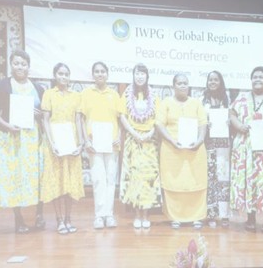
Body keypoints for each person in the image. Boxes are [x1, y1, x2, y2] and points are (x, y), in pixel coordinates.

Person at [0, 49, 46, 233]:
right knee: (14, 176)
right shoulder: (2, 86)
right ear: (11, 65)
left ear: (29, 66)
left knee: (37, 175)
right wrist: (6, 125)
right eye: (16, 63)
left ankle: (39, 215)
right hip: (10, 137)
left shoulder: (38, 88)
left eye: (23, 64)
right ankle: (18, 219)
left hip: (33, 139)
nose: (20, 67)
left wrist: (40, 115)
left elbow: (46, 113)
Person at [229, 66, 263, 232]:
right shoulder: (242, 98)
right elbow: (231, 114)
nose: (257, 79)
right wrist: (239, 126)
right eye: (255, 77)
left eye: (261, 77)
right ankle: (250, 218)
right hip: (246, 147)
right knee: (249, 181)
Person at [156, 73, 208, 228]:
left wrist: (200, 140)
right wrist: (171, 141)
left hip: (195, 150)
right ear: (173, 86)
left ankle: (197, 216)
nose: (183, 86)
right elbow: (159, 124)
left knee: (196, 181)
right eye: (179, 83)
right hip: (171, 150)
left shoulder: (196, 103)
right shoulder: (166, 103)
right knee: (173, 182)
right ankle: (174, 217)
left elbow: (203, 123)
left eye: (185, 83)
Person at [40, 63, 84, 234]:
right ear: (55, 75)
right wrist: (51, 143)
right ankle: (59, 219)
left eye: (66, 74)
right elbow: (45, 120)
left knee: (70, 183)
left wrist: (80, 143)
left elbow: (78, 120)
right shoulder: (48, 94)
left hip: (71, 143)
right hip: (55, 144)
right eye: (60, 73)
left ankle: (68, 218)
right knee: (57, 181)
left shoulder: (76, 96)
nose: (63, 77)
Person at [79, 61, 122, 229]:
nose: (100, 74)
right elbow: (81, 119)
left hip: (112, 144)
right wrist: (86, 140)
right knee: (98, 180)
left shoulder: (114, 95)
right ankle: (99, 216)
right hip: (94, 145)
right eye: (96, 71)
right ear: (93, 75)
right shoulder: (86, 94)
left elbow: (120, 119)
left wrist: (119, 137)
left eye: (103, 71)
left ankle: (109, 215)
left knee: (110, 180)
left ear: (107, 74)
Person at [119, 63, 160, 229]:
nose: (140, 76)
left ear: (147, 76)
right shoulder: (127, 94)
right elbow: (122, 116)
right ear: (133, 75)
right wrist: (134, 133)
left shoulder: (154, 95)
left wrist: (150, 133)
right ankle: (137, 215)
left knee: (148, 178)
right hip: (133, 140)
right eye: (137, 73)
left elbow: (158, 118)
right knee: (135, 177)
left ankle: (146, 215)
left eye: (143, 73)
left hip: (149, 141)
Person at [201, 70, 232, 228]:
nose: (212, 82)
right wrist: (205, 124)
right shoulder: (201, 100)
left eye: (215, 80)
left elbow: (233, 119)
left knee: (223, 177)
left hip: (223, 144)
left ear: (220, 82)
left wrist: (229, 123)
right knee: (210, 178)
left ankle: (224, 214)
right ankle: (211, 214)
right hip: (208, 144)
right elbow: (198, 121)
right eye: (210, 80)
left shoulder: (227, 100)